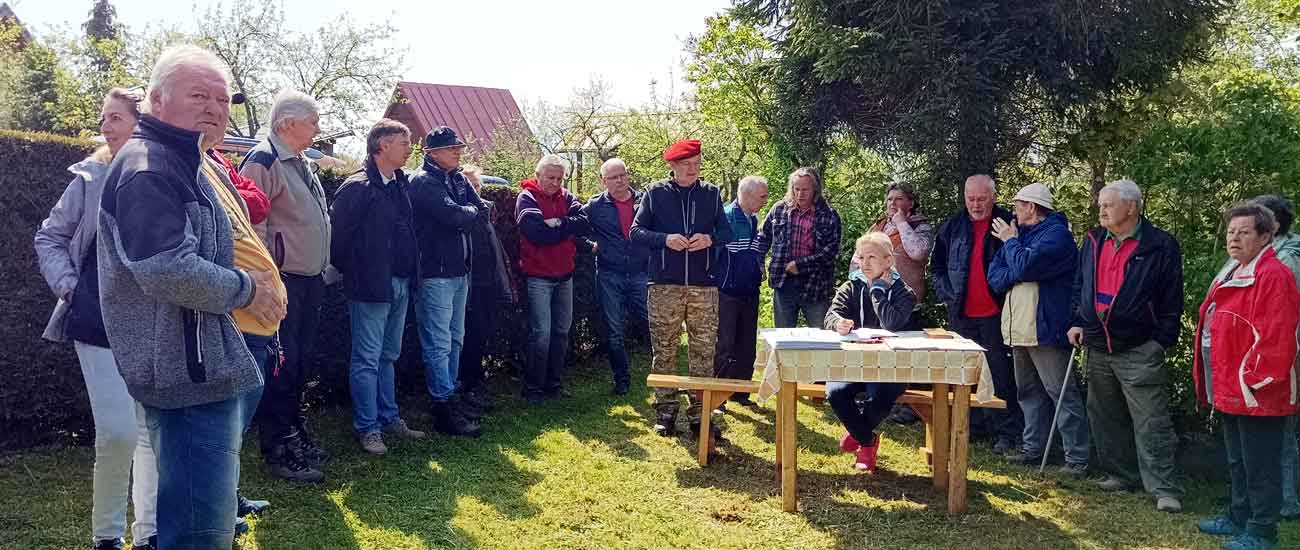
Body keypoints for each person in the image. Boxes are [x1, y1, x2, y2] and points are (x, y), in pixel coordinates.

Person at [96, 44, 285, 549]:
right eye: (198, 94)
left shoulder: (183, 160)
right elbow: (166, 268)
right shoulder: (150, 166)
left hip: (196, 364)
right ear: (156, 100)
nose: (214, 108)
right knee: (200, 530)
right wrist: (247, 289)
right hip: (188, 371)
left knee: (196, 518)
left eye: (222, 99)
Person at [35, 89, 158, 550]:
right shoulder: (88, 177)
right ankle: (106, 536)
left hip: (152, 322)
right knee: (119, 431)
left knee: (150, 431)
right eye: (103, 118)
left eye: (116, 118)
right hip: (96, 319)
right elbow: (49, 236)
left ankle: (149, 534)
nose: (106, 126)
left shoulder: (160, 176)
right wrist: (68, 284)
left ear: (140, 123)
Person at [1067, 179, 1185, 513]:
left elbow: (1171, 297)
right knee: (1104, 414)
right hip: (1097, 342)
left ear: (1131, 207)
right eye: (1100, 204)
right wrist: (1078, 320)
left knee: (1151, 420)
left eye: (1108, 204)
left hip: (1139, 346)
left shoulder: (1160, 244)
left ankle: (1165, 488)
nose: (1101, 209)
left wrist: (1161, 340)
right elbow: (1081, 286)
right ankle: (1120, 474)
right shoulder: (1091, 240)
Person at [1193, 202, 1300, 550]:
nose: (1234, 239)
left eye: (1244, 232)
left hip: (1257, 390)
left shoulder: (1274, 274)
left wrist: (1253, 380)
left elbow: (1277, 335)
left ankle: (1262, 530)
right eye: (1230, 232)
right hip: (1231, 385)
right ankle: (1239, 515)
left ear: (1266, 235)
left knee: (1260, 463)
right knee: (1238, 458)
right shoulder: (1235, 269)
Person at [239, 88, 333, 480]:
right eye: (312, 121)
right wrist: (266, 281)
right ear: (288, 123)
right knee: (281, 365)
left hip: (309, 280)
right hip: (283, 282)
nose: (317, 128)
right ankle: (278, 448)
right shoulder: (263, 159)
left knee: (299, 363)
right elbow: (248, 226)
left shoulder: (297, 160)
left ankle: (294, 433)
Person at [330, 118, 428, 455]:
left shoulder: (400, 184)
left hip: (400, 283)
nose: (410, 149)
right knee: (367, 359)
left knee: (388, 356)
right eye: (404, 143)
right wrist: (360, 273)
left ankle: (389, 418)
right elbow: (338, 241)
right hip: (370, 287)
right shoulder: (357, 187)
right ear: (382, 145)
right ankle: (368, 427)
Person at [630, 139, 732, 438]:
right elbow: (636, 232)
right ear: (673, 166)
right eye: (687, 165)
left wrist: (710, 238)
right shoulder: (655, 193)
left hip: (704, 286)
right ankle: (665, 411)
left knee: (703, 352)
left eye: (697, 164)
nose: (693, 170)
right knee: (665, 351)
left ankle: (701, 413)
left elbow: (726, 231)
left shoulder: (711, 194)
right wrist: (665, 239)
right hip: (665, 286)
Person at [985, 183, 1088, 476]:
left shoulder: (1058, 237)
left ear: (1031, 207)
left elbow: (1025, 266)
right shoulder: (1021, 237)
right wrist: (1016, 263)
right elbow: (996, 276)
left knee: (1061, 393)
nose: (1014, 211)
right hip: (1020, 328)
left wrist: (1010, 245)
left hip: (1046, 328)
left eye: (1018, 205)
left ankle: (1077, 459)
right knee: (1028, 392)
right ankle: (1033, 448)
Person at [931, 174, 1022, 454]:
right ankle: (973, 427)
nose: (976, 204)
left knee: (1000, 374)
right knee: (964, 374)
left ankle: (1007, 433)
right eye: (971, 198)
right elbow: (937, 268)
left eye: (982, 198)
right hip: (961, 314)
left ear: (993, 197)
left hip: (996, 313)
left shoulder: (1008, 223)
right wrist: (948, 295)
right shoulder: (953, 226)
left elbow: (1020, 264)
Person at [408, 126, 484, 437]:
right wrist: (465, 212)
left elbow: (478, 212)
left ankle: (450, 396)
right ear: (432, 152)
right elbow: (455, 216)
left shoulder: (456, 179)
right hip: (435, 274)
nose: (458, 152)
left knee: (455, 339)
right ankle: (442, 405)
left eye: (459, 147)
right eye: (451, 148)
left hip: (457, 271)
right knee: (439, 343)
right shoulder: (423, 181)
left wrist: (464, 212)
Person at [825, 232, 918, 473]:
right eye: (861, 257)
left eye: (872, 257)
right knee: (836, 393)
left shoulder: (903, 292)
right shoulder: (851, 286)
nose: (864, 263)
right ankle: (867, 438)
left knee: (881, 396)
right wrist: (838, 323)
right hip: (851, 362)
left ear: (888, 261)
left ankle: (860, 438)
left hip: (889, 367)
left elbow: (892, 323)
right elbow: (831, 314)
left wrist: (877, 290)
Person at [515, 154, 590, 404]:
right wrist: (567, 228)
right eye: (550, 177)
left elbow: (585, 224)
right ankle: (533, 388)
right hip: (538, 277)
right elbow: (536, 234)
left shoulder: (567, 197)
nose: (555, 182)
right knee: (541, 333)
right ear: (538, 176)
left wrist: (557, 222)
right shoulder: (527, 197)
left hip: (565, 275)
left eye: (559, 178)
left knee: (561, 332)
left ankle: (554, 384)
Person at [582, 157, 650, 395]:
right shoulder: (594, 206)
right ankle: (622, 381)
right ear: (603, 181)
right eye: (614, 177)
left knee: (652, 323)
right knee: (614, 331)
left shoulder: (645, 200)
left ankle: (663, 375)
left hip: (641, 273)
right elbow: (575, 229)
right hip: (610, 275)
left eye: (623, 174)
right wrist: (590, 244)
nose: (620, 180)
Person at [457, 164, 513, 416]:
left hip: (488, 282)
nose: (474, 191)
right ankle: (467, 387)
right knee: (466, 337)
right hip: (467, 285)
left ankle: (476, 383)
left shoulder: (488, 211)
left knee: (481, 335)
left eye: (477, 186)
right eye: (468, 186)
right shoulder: (462, 213)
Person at [757, 167, 843, 328]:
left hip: (816, 284)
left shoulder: (829, 215)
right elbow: (762, 237)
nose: (800, 194)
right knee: (784, 338)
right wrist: (759, 263)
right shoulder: (779, 209)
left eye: (805, 190)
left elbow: (831, 251)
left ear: (815, 190)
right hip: (784, 283)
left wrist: (800, 265)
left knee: (821, 338)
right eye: (796, 189)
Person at [713, 175, 769, 407]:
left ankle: (741, 392)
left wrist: (758, 268)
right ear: (746, 195)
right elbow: (716, 255)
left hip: (749, 290)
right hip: (728, 291)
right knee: (725, 343)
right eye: (762, 196)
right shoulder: (726, 217)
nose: (766, 200)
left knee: (746, 344)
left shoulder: (753, 218)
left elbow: (752, 252)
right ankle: (718, 396)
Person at [869, 181, 933, 303]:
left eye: (898, 199)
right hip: (875, 300)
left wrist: (901, 223)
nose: (892, 203)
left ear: (911, 203)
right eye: (889, 199)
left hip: (905, 302)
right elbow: (858, 258)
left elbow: (918, 253)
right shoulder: (878, 226)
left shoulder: (921, 227)